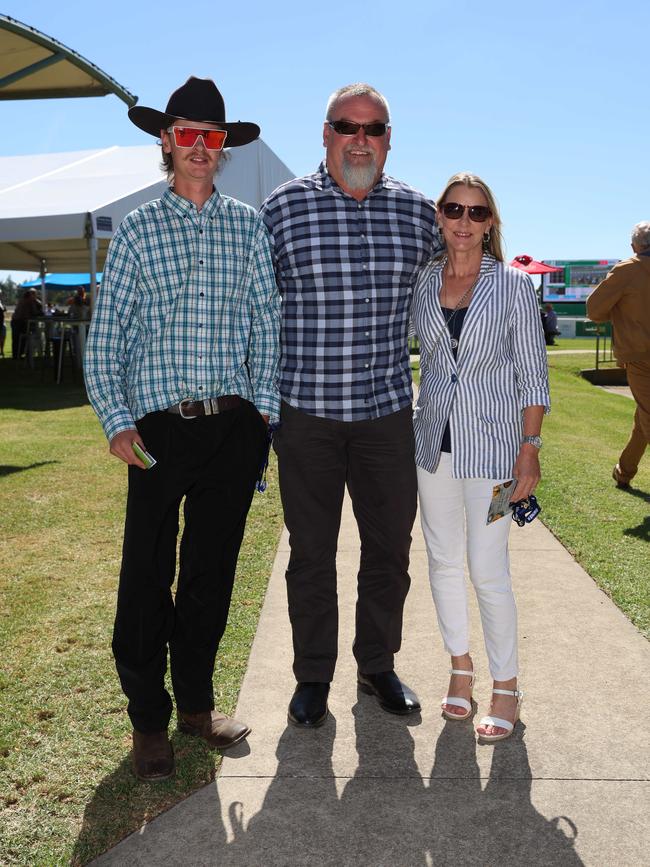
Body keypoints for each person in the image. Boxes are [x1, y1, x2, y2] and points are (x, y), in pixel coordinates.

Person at [84, 77, 280, 781]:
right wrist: (114, 420)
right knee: (146, 574)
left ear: (225, 147)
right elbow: (106, 339)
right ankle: (148, 720)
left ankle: (196, 705)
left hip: (233, 429)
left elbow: (269, 324)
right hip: (158, 432)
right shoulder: (137, 230)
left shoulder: (247, 225)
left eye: (213, 137)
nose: (200, 148)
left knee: (209, 573)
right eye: (187, 135)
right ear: (166, 141)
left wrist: (263, 416)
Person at [260, 83, 443, 728]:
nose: (359, 138)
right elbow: (256, 309)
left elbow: (465, 284)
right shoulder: (283, 210)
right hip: (306, 414)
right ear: (326, 134)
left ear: (389, 138)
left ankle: (377, 666)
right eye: (346, 126)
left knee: (389, 549)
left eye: (373, 128)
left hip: (387, 415)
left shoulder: (419, 215)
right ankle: (312, 675)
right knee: (311, 553)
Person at [411, 172, 550, 742]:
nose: (464, 222)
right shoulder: (423, 281)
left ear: (490, 222)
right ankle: (460, 668)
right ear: (439, 217)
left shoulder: (514, 286)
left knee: (488, 568)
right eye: (454, 210)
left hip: (494, 457)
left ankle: (507, 685)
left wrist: (530, 451)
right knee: (442, 561)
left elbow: (533, 378)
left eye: (476, 213)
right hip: (432, 451)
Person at [587, 221, 650, 489]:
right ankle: (623, 472)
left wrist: (619, 312)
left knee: (646, 416)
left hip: (640, 356)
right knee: (644, 417)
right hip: (641, 356)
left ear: (635, 245)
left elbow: (595, 309)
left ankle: (624, 472)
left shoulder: (628, 269)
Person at [10, 288, 42, 359]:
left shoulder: (23, 300)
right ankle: (20, 355)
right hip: (19, 322)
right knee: (21, 339)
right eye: (35, 294)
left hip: (16, 321)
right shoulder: (29, 301)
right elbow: (35, 312)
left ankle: (17, 355)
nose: (36, 296)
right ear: (31, 295)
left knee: (17, 339)